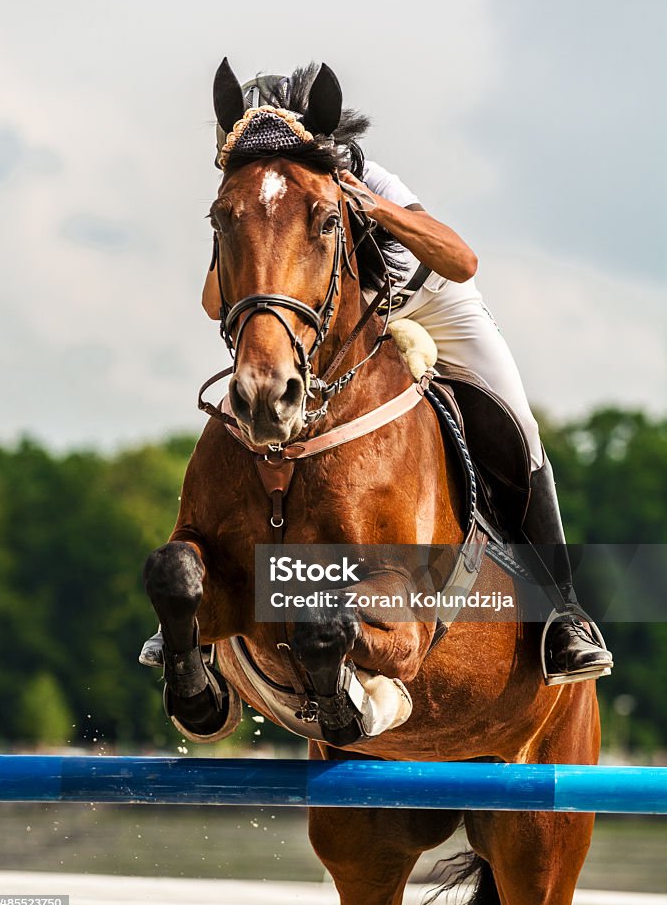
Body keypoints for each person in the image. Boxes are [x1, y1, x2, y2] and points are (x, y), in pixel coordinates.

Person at [141, 68, 613, 686]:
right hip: (331, 324)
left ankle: (563, 613)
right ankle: (200, 621)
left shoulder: (367, 176)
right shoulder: (257, 198)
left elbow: (462, 261)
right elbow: (213, 303)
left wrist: (367, 205)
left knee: (519, 425)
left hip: (431, 301)